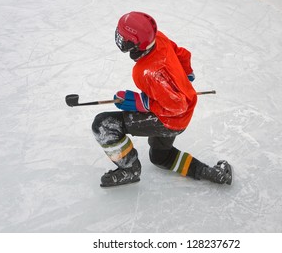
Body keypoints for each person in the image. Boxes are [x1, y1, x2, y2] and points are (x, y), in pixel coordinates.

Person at [92, 11, 233, 187]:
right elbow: (183, 54)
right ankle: (212, 174)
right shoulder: (159, 38)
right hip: (181, 117)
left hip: (170, 120)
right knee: (160, 157)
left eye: (123, 36)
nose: (119, 37)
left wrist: (141, 102)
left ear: (136, 43)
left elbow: (177, 105)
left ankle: (129, 170)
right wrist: (185, 75)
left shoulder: (147, 71)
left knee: (103, 125)